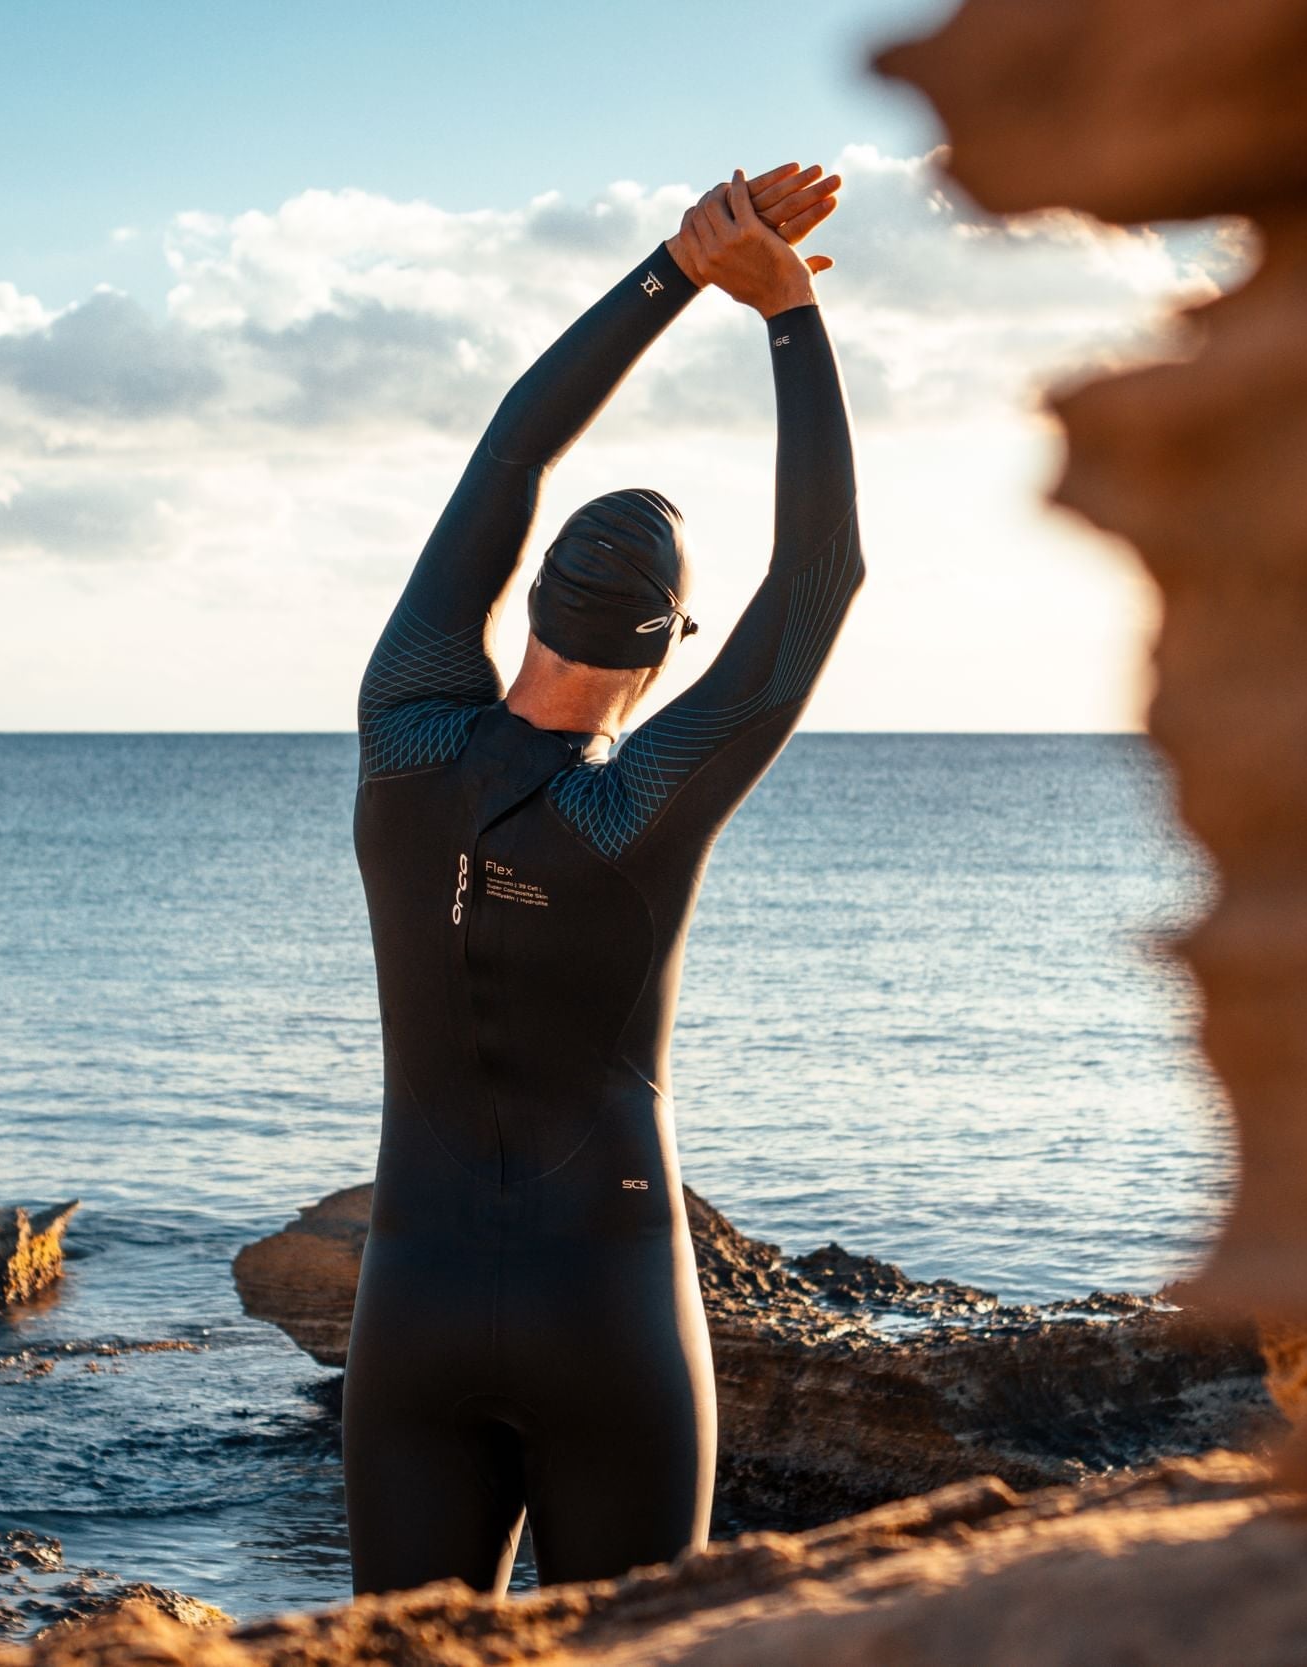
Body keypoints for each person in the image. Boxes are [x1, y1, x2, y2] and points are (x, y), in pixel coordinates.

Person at [342, 162, 863, 1597]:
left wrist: (677, 270)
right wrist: (790, 315)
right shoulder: (636, 807)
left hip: (413, 1312)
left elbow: (516, 446)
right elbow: (818, 580)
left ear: (525, 590)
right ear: (664, 651)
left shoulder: (406, 726)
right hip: (608, 1315)